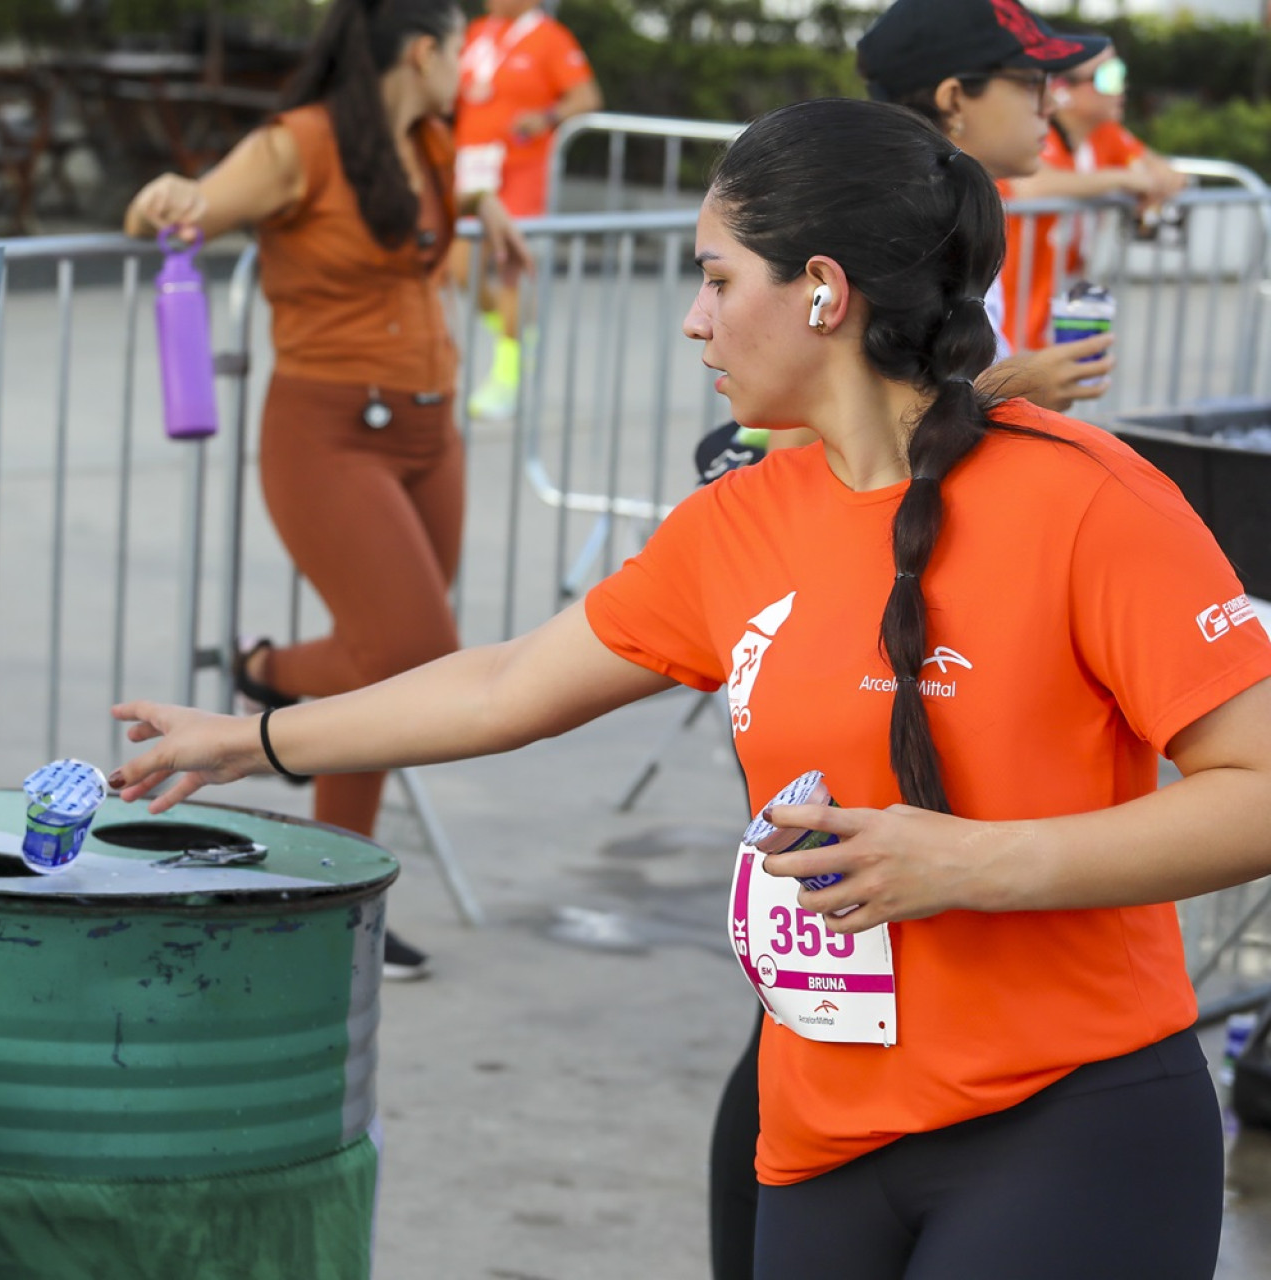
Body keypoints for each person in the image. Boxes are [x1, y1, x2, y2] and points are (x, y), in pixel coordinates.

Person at [114, 95, 1271, 1278]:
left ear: (822, 289)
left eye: (717, 279)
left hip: (1074, 1119)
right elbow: (508, 681)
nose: (691, 319)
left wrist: (971, 862)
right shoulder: (736, 523)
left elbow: (1260, 789)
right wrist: (250, 737)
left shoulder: (1089, 498)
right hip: (820, 1131)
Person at [700, 5, 1126, 1270]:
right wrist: (1005, 391)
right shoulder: (821, 221)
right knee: (814, 1016)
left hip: (1040, 1076)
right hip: (847, 1015)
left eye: (715, 282)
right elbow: (806, 443)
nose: (1050, 109)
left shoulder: (1088, 495)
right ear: (953, 100)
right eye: (1029, 85)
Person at [122, 0, 531, 982]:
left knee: (388, 681)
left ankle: (340, 897)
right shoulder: (296, 143)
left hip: (429, 429)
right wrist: (170, 192)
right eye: (461, 47)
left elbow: (439, 228)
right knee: (416, 658)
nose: (467, 68)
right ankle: (269, 670)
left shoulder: (431, 143)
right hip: (330, 430)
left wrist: (484, 208)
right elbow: (179, 212)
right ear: (423, 49)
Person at [451, 0, 599, 420]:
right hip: (471, 168)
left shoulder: (550, 37)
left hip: (520, 171)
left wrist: (547, 116)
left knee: (508, 267)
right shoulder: (479, 29)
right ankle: (517, 333)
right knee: (460, 269)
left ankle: (506, 373)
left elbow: (585, 96)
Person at [998, 40, 1187, 353]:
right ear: (1062, 89)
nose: (1121, 87)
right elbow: (1030, 186)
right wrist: (1124, 179)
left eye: (1121, 74)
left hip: (1067, 298)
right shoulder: (1033, 131)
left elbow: (1163, 173)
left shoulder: (1105, 133)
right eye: (1109, 76)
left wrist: (1147, 181)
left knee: (1074, 386)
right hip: (1012, 312)